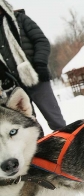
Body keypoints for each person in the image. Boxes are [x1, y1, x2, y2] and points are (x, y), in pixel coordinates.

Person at [0, 0, 66, 133]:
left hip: (36, 77)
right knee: (26, 126)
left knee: (56, 121)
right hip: (12, 86)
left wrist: (40, 65)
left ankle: (68, 149)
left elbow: (41, 41)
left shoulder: (20, 19)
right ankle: (39, 151)